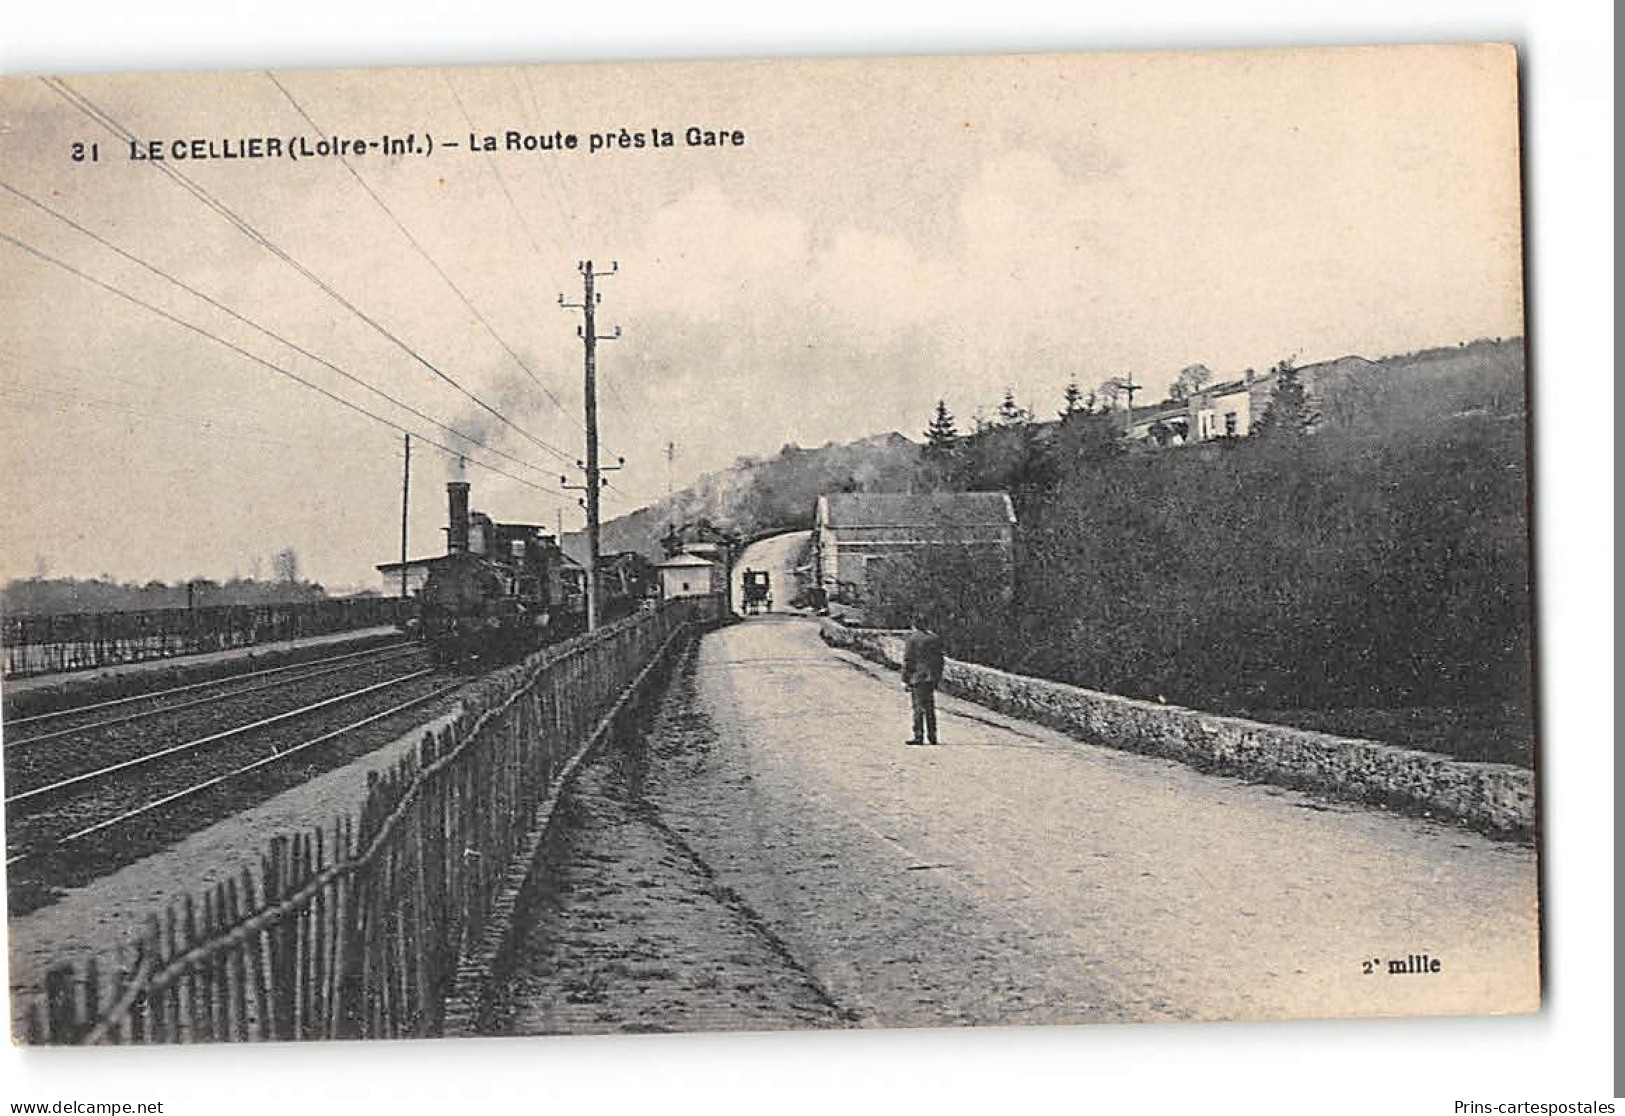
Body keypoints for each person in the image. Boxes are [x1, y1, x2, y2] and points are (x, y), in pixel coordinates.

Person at [902, 615, 945, 746]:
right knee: (930, 708)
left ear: (914, 625)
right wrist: (937, 676)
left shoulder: (912, 639)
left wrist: (905, 679)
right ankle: (932, 736)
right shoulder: (934, 639)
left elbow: (908, 660)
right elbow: (940, 660)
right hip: (931, 677)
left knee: (918, 708)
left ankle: (918, 735)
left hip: (917, 677)